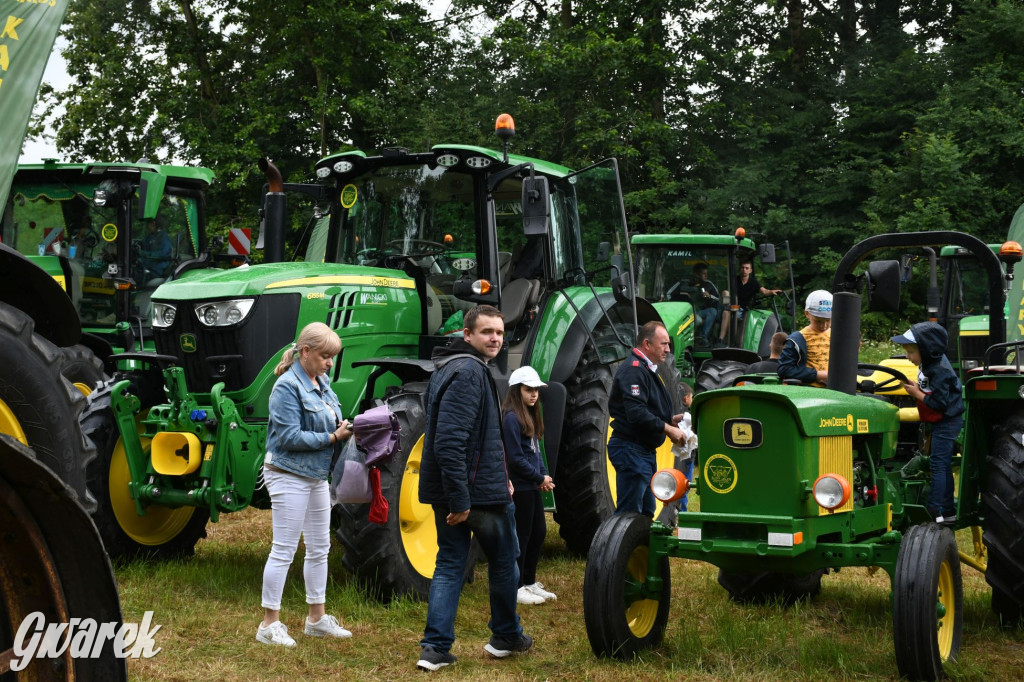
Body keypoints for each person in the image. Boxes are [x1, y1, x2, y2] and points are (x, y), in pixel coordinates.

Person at [416, 305, 531, 672]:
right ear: (467, 335)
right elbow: (450, 441)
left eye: (499, 332)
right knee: (502, 562)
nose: (495, 338)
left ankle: (435, 650)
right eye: (486, 332)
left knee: (450, 563)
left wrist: (504, 476)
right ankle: (506, 636)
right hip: (474, 496)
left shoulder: (452, 367)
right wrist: (461, 499)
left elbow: (481, 438)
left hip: (472, 487)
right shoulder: (468, 372)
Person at [257, 322, 354, 647]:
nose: (329, 363)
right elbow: (289, 437)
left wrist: (342, 425)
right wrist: (332, 436)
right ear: (305, 352)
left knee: (320, 548)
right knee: (284, 549)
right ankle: (269, 625)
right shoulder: (286, 386)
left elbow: (329, 415)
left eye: (332, 357)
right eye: (325, 356)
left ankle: (316, 619)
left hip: (315, 474)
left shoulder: (321, 381)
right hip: (287, 473)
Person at [608, 321, 687, 517]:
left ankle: (639, 547)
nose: (668, 350)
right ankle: (621, 548)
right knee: (629, 514)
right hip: (631, 450)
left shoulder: (645, 368)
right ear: (647, 344)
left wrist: (670, 420)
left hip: (641, 452)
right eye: (664, 344)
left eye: (668, 344)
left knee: (646, 512)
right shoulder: (634, 369)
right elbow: (636, 413)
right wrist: (668, 429)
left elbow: (645, 408)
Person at [892, 324, 965, 525]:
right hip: (939, 421)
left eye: (911, 352)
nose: (908, 357)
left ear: (926, 350)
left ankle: (934, 510)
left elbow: (940, 404)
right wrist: (916, 388)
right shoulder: (928, 365)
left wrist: (917, 394)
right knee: (942, 464)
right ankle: (948, 511)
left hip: (947, 421)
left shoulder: (940, 370)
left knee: (938, 465)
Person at [502, 365, 557, 606]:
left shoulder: (530, 414)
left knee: (539, 533)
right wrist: (538, 478)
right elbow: (515, 459)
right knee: (522, 536)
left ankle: (529, 581)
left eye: (536, 389)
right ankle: (516, 587)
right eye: (528, 389)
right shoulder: (511, 418)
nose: (534, 394)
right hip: (521, 488)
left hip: (532, 486)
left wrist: (544, 476)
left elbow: (535, 453)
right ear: (517, 391)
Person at [778, 290, 833, 386]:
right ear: (807, 314)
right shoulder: (796, 339)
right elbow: (784, 370)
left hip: (836, 390)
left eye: (828, 321)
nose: (824, 326)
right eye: (818, 321)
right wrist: (817, 375)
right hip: (809, 390)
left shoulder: (839, 337)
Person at [673, 383, 698, 512]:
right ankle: (683, 510)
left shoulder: (673, 413)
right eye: (691, 397)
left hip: (676, 454)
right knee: (685, 483)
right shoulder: (687, 416)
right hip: (687, 456)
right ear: (686, 398)